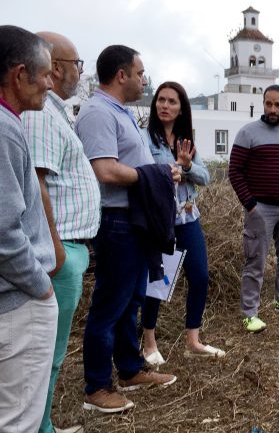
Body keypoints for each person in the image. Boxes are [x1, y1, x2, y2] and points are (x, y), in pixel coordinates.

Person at [75, 45, 179, 413]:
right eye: (140, 73)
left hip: (133, 220)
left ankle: (130, 369)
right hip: (117, 221)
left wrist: (161, 174)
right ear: (122, 75)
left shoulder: (118, 111)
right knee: (110, 304)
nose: (143, 80)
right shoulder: (97, 113)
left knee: (131, 300)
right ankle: (97, 387)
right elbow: (104, 170)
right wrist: (155, 175)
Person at [22, 32, 101, 433]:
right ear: (55, 67)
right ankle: (39, 428)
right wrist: (56, 250)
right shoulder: (38, 114)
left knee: (50, 350)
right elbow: (37, 183)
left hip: (68, 247)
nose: (79, 72)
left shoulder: (54, 111)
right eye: (77, 64)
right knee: (46, 353)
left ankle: (44, 423)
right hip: (61, 250)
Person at [140, 81, 225, 364]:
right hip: (160, 220)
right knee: (158, 281)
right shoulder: (144, 139)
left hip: (188, 217)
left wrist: (186, 165)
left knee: (200, 276)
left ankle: (193, 340)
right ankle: (149, 342)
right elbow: (141, 173)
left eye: (172, 102)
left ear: (181, 109)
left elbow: (205, 177)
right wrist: (170, 170)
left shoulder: (185, 140)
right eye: (161, 100)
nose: (165, 106)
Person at [0, 25, 58, 432]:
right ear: (20, 75)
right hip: (17, 303)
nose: (51, 84)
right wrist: (40, 285)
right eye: (46, 74)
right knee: (19, 420)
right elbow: (4, 232)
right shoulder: (4, 130)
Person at [229, 84, 279, 333]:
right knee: (255, 261)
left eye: (278, 104)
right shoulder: (248, 132)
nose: (272, 109)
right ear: (263, 104)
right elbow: (234, 171)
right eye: (268, 104)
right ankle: (249, 313)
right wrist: (251, 205)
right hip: (260, 209)